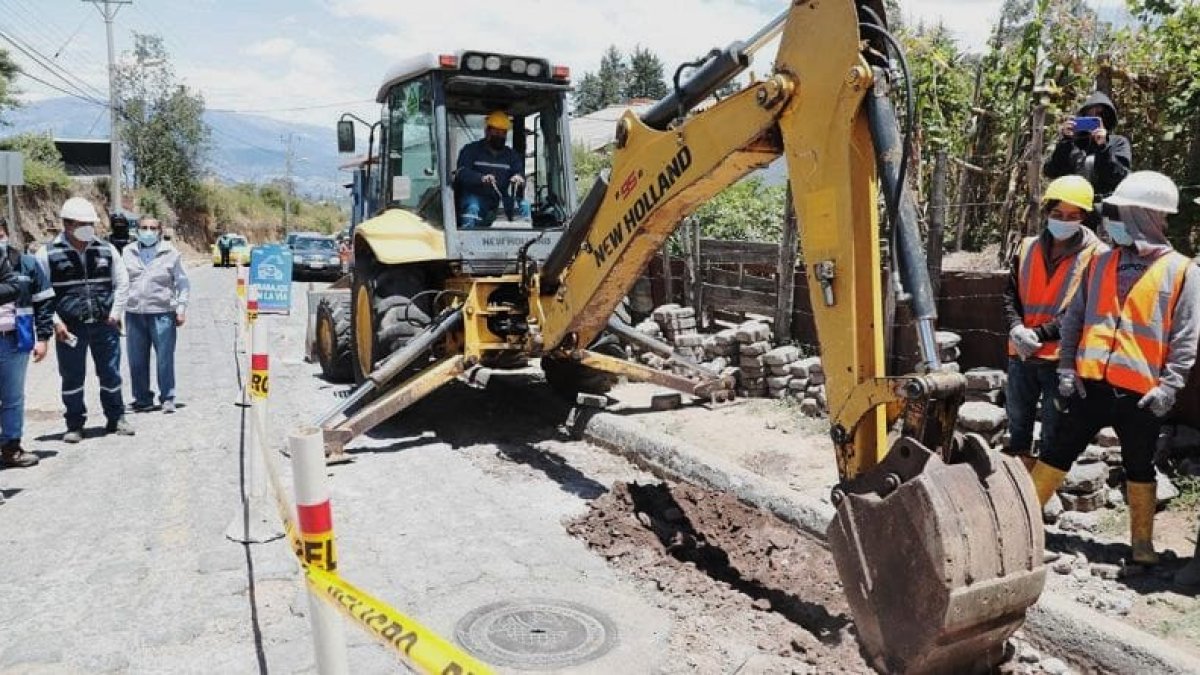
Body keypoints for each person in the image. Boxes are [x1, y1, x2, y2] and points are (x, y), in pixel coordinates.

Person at [1029, 171, 1199, 565]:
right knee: (1057, 451)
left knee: (1139, 464)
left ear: (1144, 215)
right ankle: (1024, 520)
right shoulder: (1101, 262)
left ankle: (1141, 544)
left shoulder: (1183, 271)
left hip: (1142, 394)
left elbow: (1186, 338)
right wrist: (1068, 368)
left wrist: (1170, 387)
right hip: (1090, 385)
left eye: (1120, 212)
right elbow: (1074, 320)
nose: (1112, 221)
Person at [1003, 176, 1107, 471]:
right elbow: (1010, 294)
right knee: (1018, 419)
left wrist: (1037, 334)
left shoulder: (1098, 256)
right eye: (1058, 214)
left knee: (1054, 425)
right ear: (1047, 212)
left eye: (1073, 216)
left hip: (1061, 358)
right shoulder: (1027, 247)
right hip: (1021, 353)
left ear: (1084, 217)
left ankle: (1045, 486)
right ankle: (1017, 471)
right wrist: (1015, 328)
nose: (1064, 221)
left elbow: (1084, 310)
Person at [35, 197, 134, 443]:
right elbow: (42, 295)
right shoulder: (47, 254)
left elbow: (122, 283)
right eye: (83, 224)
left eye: (91, 223)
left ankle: (116, 417)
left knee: (110, 372)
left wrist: (115, 313)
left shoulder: (106, 249)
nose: (89, 228)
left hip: (105, 324)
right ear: (67, 224)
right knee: (72, 376)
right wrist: (56, 322)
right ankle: (75, 424)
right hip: (70, 328)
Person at [0, 218, 54, 468]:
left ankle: (11, 447)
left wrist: (42, 337)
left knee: (13, 398)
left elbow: (44, 303)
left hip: (13, 341)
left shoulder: (26, 263)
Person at [123, 217, 189, 414]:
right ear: (137, 230)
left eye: (153, 228)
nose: (148, 231)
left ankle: (167, 397)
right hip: (134, 313)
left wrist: (181, 308)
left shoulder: (171, 253)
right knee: (136, 359)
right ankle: (142, 399)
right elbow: (120, 282)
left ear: (160, 231)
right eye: (144, 228)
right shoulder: (127, 252)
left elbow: (183, 283)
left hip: (162, 313)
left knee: (164, 358)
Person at [1045, 91, 1132, 227]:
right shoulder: (1072, 143)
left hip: (1103, 214)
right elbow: (1051, 172)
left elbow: (1120, 177)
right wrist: (1065, 142)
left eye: (1100, 114)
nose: (1095, 118)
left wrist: (1103, 147)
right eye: (1090, 115)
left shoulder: (1117, 143)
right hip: (1070, 212)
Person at [455, 110, 525, 228]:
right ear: (487, 131)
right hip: (476, 196)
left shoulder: (511, 155)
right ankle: (466, 242)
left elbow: (519, 172)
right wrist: (481, 178)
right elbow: (461, 173)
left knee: (525, 207)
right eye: (496, 132)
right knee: (473, 207)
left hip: (502, 199)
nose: (500, 136)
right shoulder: (471, 150)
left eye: (503, 133)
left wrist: (518, 177)